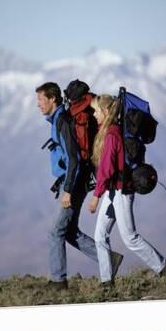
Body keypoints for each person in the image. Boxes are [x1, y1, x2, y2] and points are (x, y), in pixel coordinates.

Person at [36, 82, 123, 290]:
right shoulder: (59, 120)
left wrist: (67, 190)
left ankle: (58, 281)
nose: (38, 104)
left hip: (75, 182)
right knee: (69, 230)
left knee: (56, 231)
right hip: (77, 180)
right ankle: (108, 260)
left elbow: (73, 159)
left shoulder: (63, 122)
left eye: (40, 100)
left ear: (52, 99)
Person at [88, 94, 166, 287]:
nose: (93, 114)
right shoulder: (112, 131)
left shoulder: (111, 135)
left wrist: (96, 197)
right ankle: (106, 282)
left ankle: (164, 267)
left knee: (129, 237)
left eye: (95, 110)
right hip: (113, 191)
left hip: (120, 191)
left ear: (104, 111)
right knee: (100, 235)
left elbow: (106, 169)